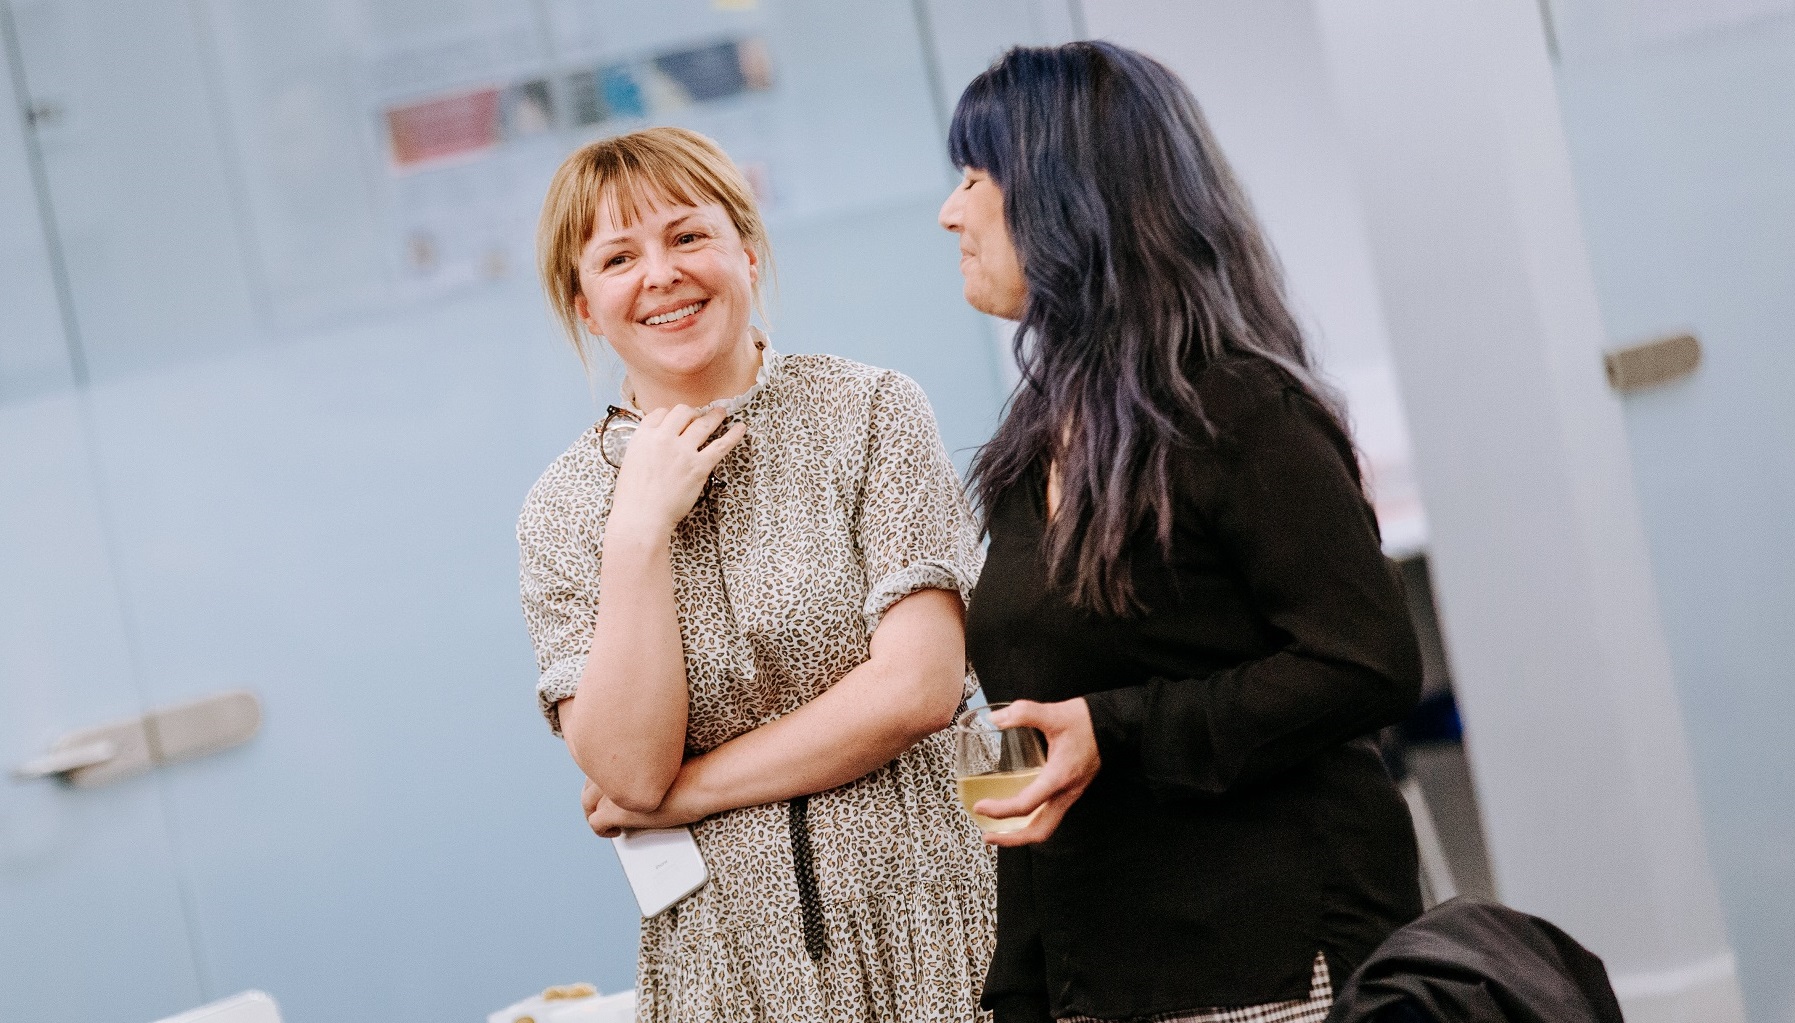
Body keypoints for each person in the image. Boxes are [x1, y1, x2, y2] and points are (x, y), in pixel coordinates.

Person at [937, 42, 1426, 1023]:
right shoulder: (1033, 442)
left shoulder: (1239, 410)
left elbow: (1365, 661)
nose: (952, 211)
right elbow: (1037, 730)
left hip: (1270, 963)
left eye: (975, 176)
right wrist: (1022, 989)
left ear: (1064, 196)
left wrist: (1114, 733)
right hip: (1104, 970)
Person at [519, 126, 995, 1023]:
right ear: (585, 305)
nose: (659, 274)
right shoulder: (563, 508)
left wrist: (685, 791)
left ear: (744, 248)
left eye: (686, 236)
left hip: (937, 919)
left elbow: (918, 688)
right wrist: (636, 532)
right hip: (726, 967)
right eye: (618, 256)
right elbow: (627, 764)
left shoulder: (870, 411)